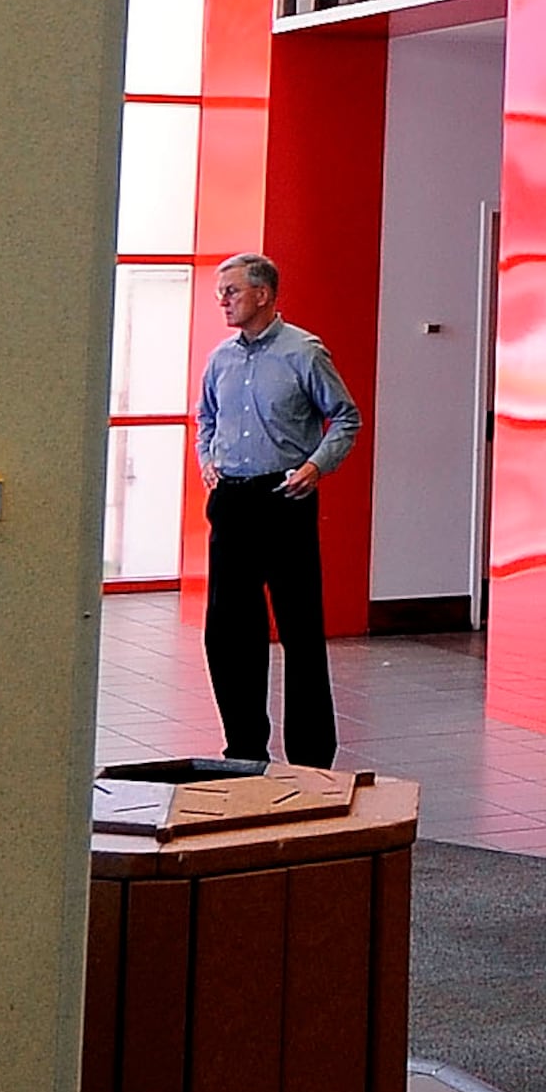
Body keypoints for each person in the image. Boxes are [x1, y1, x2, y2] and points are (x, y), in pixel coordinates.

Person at [195, 252, 358, 765]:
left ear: (263, 294)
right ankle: (244, 747)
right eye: (221, 291)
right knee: (227, 632)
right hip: (232, 503)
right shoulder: (221, 358)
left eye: (232, 290)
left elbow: (346, 418)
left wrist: (316, 467)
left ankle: (312, 757)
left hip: (284, 500)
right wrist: (207, 459)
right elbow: (206, 418)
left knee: (299, 630)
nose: (223, 299)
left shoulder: (303, 353)